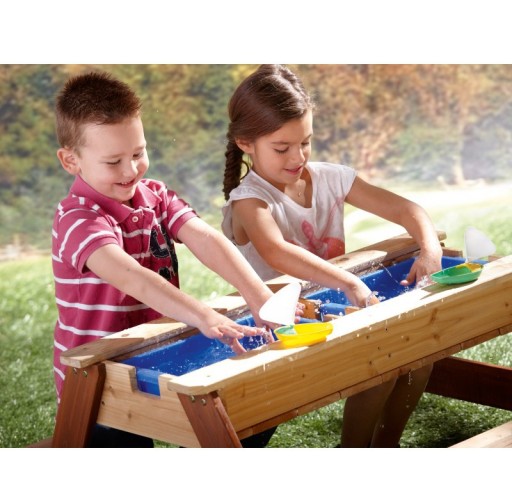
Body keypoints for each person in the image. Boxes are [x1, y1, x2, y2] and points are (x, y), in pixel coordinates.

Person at [52, 71, 280, 448]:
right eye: (113, 161)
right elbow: (132, 277)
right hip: (97, 378)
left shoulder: (155, 195)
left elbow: (205, 238)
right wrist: (204, 315)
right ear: (70, 160)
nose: (130, 171)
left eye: (137, 153)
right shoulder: (77, 218)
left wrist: (259, 295)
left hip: (152, 354)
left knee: (250, 411)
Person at [221, 64, 443, 448]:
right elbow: (277, 252)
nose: (298, 157)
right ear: (245, 143)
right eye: (282, 148)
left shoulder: (331, 178)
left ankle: (386, 448)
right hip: (282, 326)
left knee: (418, 357)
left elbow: (408, 210)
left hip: (334, 310)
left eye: (305, 142)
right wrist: (350, 282)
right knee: (382, 362)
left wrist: (431, 250)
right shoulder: (249, 201)